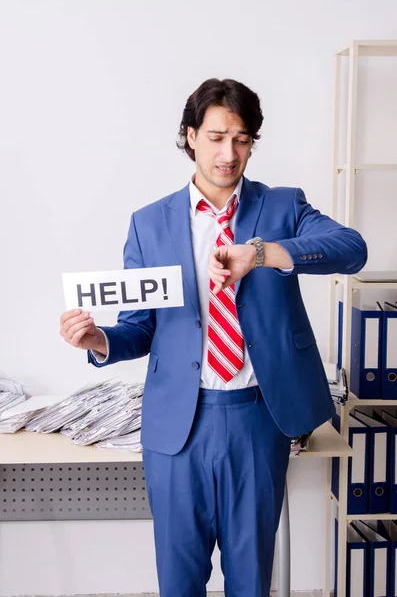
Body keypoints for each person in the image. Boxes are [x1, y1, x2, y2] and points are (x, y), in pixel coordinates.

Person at [60, 78, 367, 597]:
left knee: (250, 579)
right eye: (217, 136)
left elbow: (351, 248)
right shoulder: (149, 223)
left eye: (242, 139)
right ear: (190, 136)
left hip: (257, 416)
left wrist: (263, 253)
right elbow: (140, 327)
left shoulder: (283, 207)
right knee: (179, 580)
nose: (230, 153)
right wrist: (97, 341)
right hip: (178, 421)